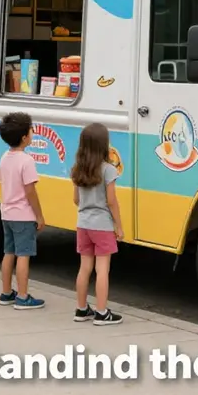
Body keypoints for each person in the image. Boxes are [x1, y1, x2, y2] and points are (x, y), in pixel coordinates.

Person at [70, 122, 124, 325]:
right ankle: (102, 312)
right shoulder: (108, 170)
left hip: (83, 224)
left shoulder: (77, 169)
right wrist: (118, 226)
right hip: (102, 225)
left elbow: (76, 200)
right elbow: (111, 201)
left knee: (84, 268)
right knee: (102, 270)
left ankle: (82, 309)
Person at [0, 112, 45, 310]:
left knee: (9, 253)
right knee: (23, 255)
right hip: (23, 215)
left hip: (6, 213)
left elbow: (2, 181)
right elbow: (30, 191)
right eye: (31, 130)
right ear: (25, 137)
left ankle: (6, 292)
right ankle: (23, 296)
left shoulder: (4, 157)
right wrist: (39, 215)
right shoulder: (27, 161)